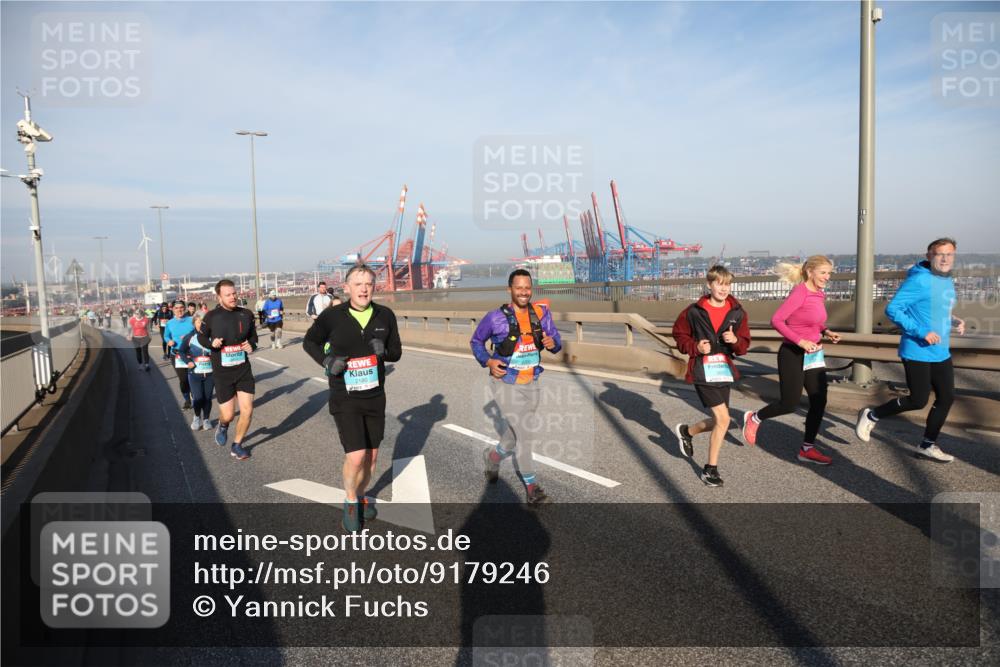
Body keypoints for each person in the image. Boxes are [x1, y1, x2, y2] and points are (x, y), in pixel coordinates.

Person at [303, 265, 402, 532]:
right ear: (347, 288)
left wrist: (385, 352)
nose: (364, 288)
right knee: (356, 456)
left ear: (374, 287)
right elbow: (309, 342)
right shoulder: (332, 316)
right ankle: (350, 501)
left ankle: (360, 495)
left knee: (371, 457)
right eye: (358, 284)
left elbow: (396, 352)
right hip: (344, 396)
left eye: (369, 283)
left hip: (375, 396)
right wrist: (326, 360)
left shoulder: (385, 315)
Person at [855, 238, 962, 462]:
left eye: (949, 254)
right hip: (917, 350)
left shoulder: (946, 279)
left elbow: (935, 308)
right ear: (929, 255)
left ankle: (927, 445)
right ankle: (872, 414)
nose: (944, 258)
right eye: (939, 254)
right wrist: (921, 331)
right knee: (918, 400)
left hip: (940, 351)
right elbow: (893, 309)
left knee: (946, 398)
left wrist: (952, 320)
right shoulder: (920, 280)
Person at [470, 269, 562, 504]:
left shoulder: (541, 313)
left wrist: (553, 344)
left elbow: (555, 341)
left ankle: (492, 457)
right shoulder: (495, 318)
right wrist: (488, 361)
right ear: (509, 289)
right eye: (519, 287)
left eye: (527, 287)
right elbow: (476, 341)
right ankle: (533, 489)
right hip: (505, 382)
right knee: (525, 435)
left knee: (513, 436)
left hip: (531, 381)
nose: (524, 292)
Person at [742, 255, 842, 465]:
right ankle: (754, 418)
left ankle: (807, 449)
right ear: (810, 272)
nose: (827, 277)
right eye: (823, 272)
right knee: (790, 403)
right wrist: (801, 341)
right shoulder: (801, 292)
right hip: (792, 353)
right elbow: (777, 320)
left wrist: (826, 330)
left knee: (819, 400)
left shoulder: (819, 293)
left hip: (813, 354)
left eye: (829, 273)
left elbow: (811, 321)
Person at [672, 265, 752, 487]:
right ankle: (710, 470)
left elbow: (744, 344)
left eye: (727, 284)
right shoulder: (693, 311)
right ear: (709, 284)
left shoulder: (737, 312)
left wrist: (735, 341)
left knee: (721, 420)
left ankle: (687, 432)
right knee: (724, 419)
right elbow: (679, 335)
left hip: (723, 370)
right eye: (719, 284)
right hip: (701, 369)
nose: (723, 289)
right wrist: (696, 346)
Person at [198, 280, 258, 460]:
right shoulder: (211, 317)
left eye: (234, 293)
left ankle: (237, 445)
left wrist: (251, 345)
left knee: (247, 410)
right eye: (228, 295)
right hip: (223, 373)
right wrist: (211, 344)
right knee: (229, 415)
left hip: (243, 370)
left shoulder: (246, 314)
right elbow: (201, 337)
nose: (233, 297)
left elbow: (253, 336)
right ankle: (223, 425)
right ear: (219, 297)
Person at [178, 313, 216, 431]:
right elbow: (182, 351)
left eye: (203, 322)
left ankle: (206, 419)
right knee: (198, 398)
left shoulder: (213, 336)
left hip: (210, 373)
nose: (201, 324)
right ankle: (196, 417)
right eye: (199, 322)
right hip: (195, 373)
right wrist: (188, 361)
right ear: (194, 323)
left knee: (207, 398)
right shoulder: (189, 337)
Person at [163, 300, 195, 409]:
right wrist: (169, 341)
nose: (179, 310)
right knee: (183, 379)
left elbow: (199, 332)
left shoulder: (191, 320)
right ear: (172, 310)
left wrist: (190, 336)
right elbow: (166, 335)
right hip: (176, 355)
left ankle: (195, 395)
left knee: (194, 377)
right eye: (176, 308)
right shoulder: (170, 323)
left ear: (185, 308)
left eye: (181, 307)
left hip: (191, 353)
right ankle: (187, 399)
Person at [127, 307, 152, 371]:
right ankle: (140, 365)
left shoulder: (146, 320)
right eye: (136, 313)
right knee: (138, 352)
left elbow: (148, 328)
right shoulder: (132, 320)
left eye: (138, 313)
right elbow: (129, 328)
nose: (136, 314)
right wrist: (129, 335)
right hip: (135, 338)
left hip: (144, 337)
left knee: (145, 351)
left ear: (141, 314)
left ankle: (147, 365)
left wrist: (150, 336)